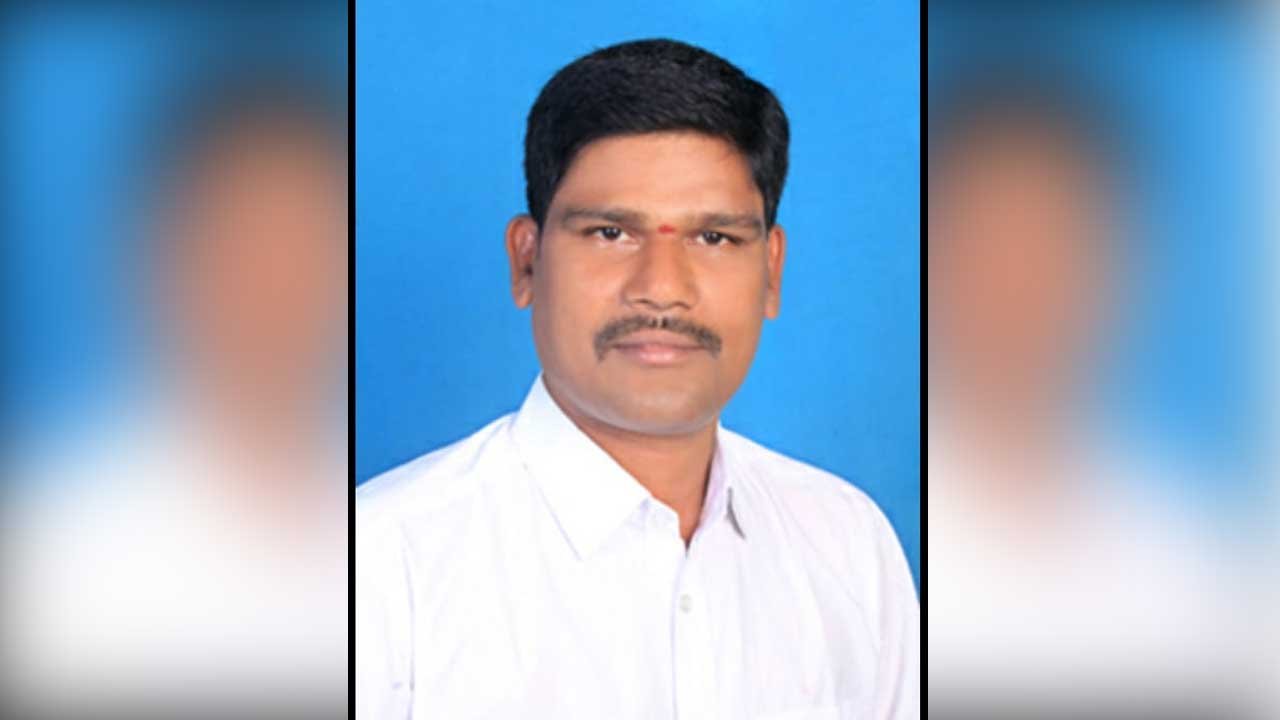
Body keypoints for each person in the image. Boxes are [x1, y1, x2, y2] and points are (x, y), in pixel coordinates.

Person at [356, 38, 919, 719]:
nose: (662, 288)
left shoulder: (849, 546)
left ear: (771, 271)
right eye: (610, 233)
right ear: (526, 261)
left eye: (714, 238)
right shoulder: (376, 571)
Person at [2, 70, 349, 717]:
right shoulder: (56, 544)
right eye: (246, 245)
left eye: (309, 244)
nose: (280, 286)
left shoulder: (390, 517)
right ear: (166, 262)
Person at [927, 70, 1252, 714]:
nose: (1021, 289)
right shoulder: (877, 541)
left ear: (1120, 270)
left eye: (1056, 245)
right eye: (989, 246)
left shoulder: (1194, 555)